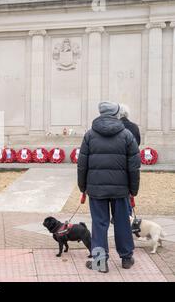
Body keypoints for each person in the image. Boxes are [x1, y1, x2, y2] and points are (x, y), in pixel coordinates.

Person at [78, 101, 140, 273]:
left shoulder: (89, 135)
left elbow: (82, 164)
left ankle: (100, 262)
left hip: (96, 189)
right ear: (116, 114)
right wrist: (133, 190)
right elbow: (134, 166)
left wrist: (82, 187)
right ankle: (127, 258)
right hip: (120, 189)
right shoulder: (127, 135)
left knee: (99, 224)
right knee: (122, 223)